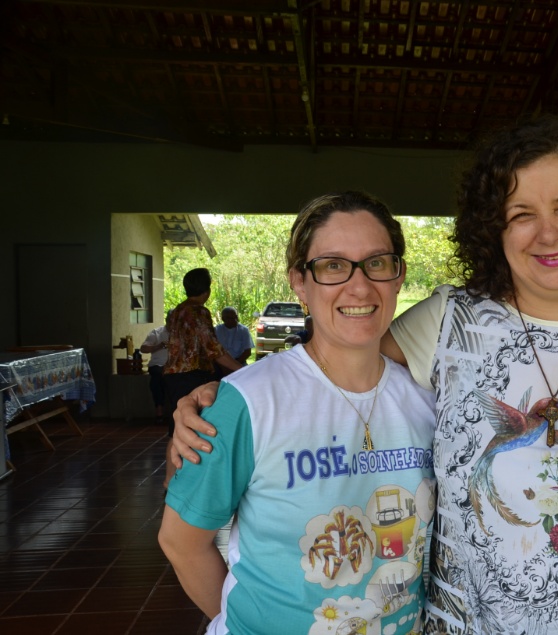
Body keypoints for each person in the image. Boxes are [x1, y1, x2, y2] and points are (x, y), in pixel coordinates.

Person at [173, 117, 558, 633]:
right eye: (520, 213)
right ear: (494, 228)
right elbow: (338, 348)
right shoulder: (450, 321)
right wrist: (226, 397)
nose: (548, 232)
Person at [158, 192, 436, 633]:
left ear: (397, 276)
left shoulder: (428, 400)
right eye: (332, 266)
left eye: (377, 263)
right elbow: (181, 542)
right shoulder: (244, 402)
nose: (359, 286)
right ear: (299, 283)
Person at [162, 268, 244, 488]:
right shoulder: (199, 312)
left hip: (172, 375)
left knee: (177, 426)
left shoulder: (177, 311)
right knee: (194, 426)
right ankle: (191, 482)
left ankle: (170, 480)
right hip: (191, 376)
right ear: (207, 290)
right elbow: (213, 349)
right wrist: (242, 370)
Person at [140, 310, 171, 424]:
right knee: (157, 378)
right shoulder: (157, 333)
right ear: (166, 320)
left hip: (176, 366)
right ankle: (159, 409)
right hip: (158, 365)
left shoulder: (182, 333)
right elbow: (143, 348)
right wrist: (159, 346)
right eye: (170, 320)